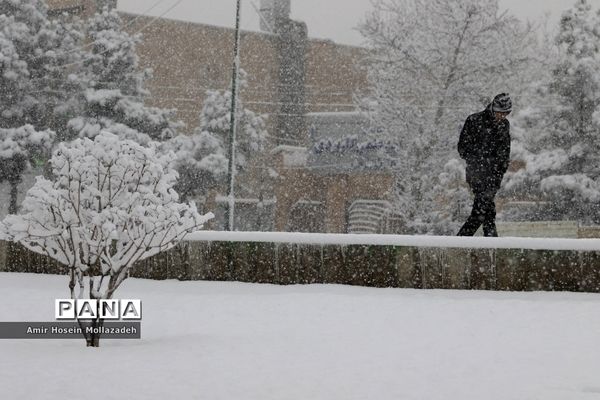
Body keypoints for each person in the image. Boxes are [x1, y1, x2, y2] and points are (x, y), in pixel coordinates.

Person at [457, 93, 512, 237]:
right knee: (482, 211)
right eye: (500, 112)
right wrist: (481, 160)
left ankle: (469, 241)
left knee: (485, 212)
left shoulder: (504, 125)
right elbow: (462, 148)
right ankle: (485, 241)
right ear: (493, 108)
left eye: (506, 113)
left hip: (494, 177)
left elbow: (505, 151)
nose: (502, 116)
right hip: (477, 174)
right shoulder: (474, 120)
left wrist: (500, 170)